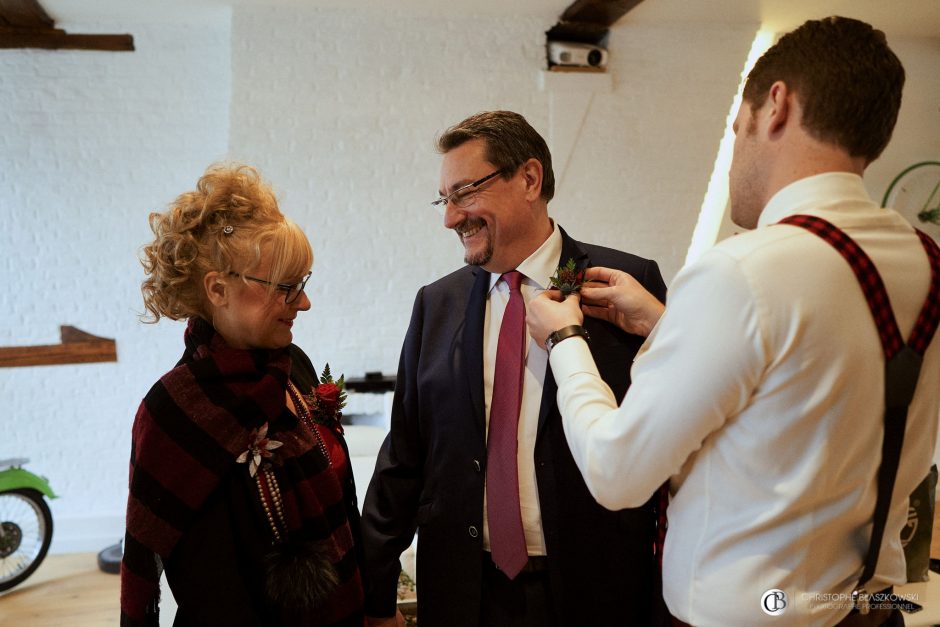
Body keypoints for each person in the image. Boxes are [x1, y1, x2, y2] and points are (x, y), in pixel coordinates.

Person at [526, 16, 940, 627]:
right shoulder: (925, 263)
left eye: (735, 128)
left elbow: (617, 474)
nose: (733, 155)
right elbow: (801, 388)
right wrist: (668, 325)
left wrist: (564, 341)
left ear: (776, 106)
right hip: (868, 609)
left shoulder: (742, 272)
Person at [361, 110, 668, 627]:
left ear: (529, 179)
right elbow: (405, 457)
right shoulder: (437, 304)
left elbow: (670, 431)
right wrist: (373, 587)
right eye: (444, 199)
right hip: (464, 594)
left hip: (595, 593)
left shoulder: (620, 284)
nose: (450, 217)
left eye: (464, 193)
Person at [120, 164, 366, 626]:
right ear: (218, 288)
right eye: (286, 288)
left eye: (303, 283)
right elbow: (213, 595)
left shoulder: (293, 364)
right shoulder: (175, 411)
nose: (305, 303)